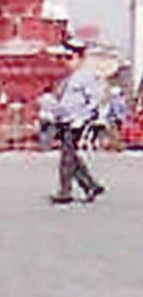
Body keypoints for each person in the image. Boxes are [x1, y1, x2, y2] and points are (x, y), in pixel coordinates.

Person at [51, 41, 108, 205]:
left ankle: (65, 191)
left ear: (80, 57)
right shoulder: (68, 78)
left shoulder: (86, 76)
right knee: (71, 156)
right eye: (64, 58)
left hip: (76, 121)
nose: (66, 61)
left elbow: (94, 100)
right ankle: (91, 185)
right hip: (64, 121)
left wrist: (84, 119)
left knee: (67, 157)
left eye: (69, 57)